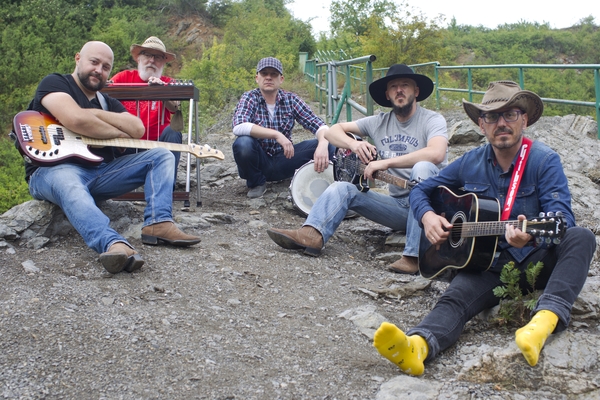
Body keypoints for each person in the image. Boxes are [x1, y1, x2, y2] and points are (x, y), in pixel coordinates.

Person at [373, 81, 596, 375]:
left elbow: (561, 218)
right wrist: (427, 217)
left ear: (524, 119)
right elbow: (420, 191)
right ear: (481, 124)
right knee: (454, 297)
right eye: (492, 117)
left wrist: (529, 236)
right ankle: (418, 346)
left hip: (536, 259)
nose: (501, 123)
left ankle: (543, 322)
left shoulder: (544, 160)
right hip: (488, 265)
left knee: (581, 237)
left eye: (510, 114)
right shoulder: (471, 161)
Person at [24, 41, 201, 274]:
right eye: (94, 62)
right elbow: (75, 119)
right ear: (78, 58)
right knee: (69, 182)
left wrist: (93, 114)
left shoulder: (107, 101)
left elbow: (137, 128)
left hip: (101, 173)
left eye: (106, 67)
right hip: (52, 171)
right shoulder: (56, 83)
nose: (99, 70)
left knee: (161, 155)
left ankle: (158, 222)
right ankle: (112, 243)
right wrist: (105, 123)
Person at [267, 64, 448, 274]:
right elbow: (332, 132)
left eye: (405, 85)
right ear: (387, 95)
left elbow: (436, 153)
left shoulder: (432, 120)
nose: (399, 90)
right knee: (342, 188)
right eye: (394, 87)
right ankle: (312, 234)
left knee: (423, 167)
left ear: (416, 91)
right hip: (401, 208)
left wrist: (385, 163)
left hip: (433, 210)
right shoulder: (379, 122)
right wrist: (354, 144)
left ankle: (415, 256)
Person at [232, 57, 335, 198]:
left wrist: (323, 144)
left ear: (281, 79)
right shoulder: (249, 97)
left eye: (273, 74)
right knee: (243, 143)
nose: (268, 77)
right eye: (264, 73)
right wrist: (276, 134)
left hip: (285, 159)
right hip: (258, 160)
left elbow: (319, 125)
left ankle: (332, 183)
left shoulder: (290, 99)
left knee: (330, 143)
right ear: (257, 78)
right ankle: (256, 182)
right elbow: (239, 126)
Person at [110, 36, 182, 184]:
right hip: (126, 144)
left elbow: (175, 107)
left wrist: (162, 91)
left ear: (163, 62)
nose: (152, 60)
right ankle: (109, 183)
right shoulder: (123, 77)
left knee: (173, 131)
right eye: (147, 55)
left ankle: (167, 186)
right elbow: (103, 97)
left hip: (158, 144)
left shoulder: (169, 82)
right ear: (138, 58)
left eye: (157, 57)